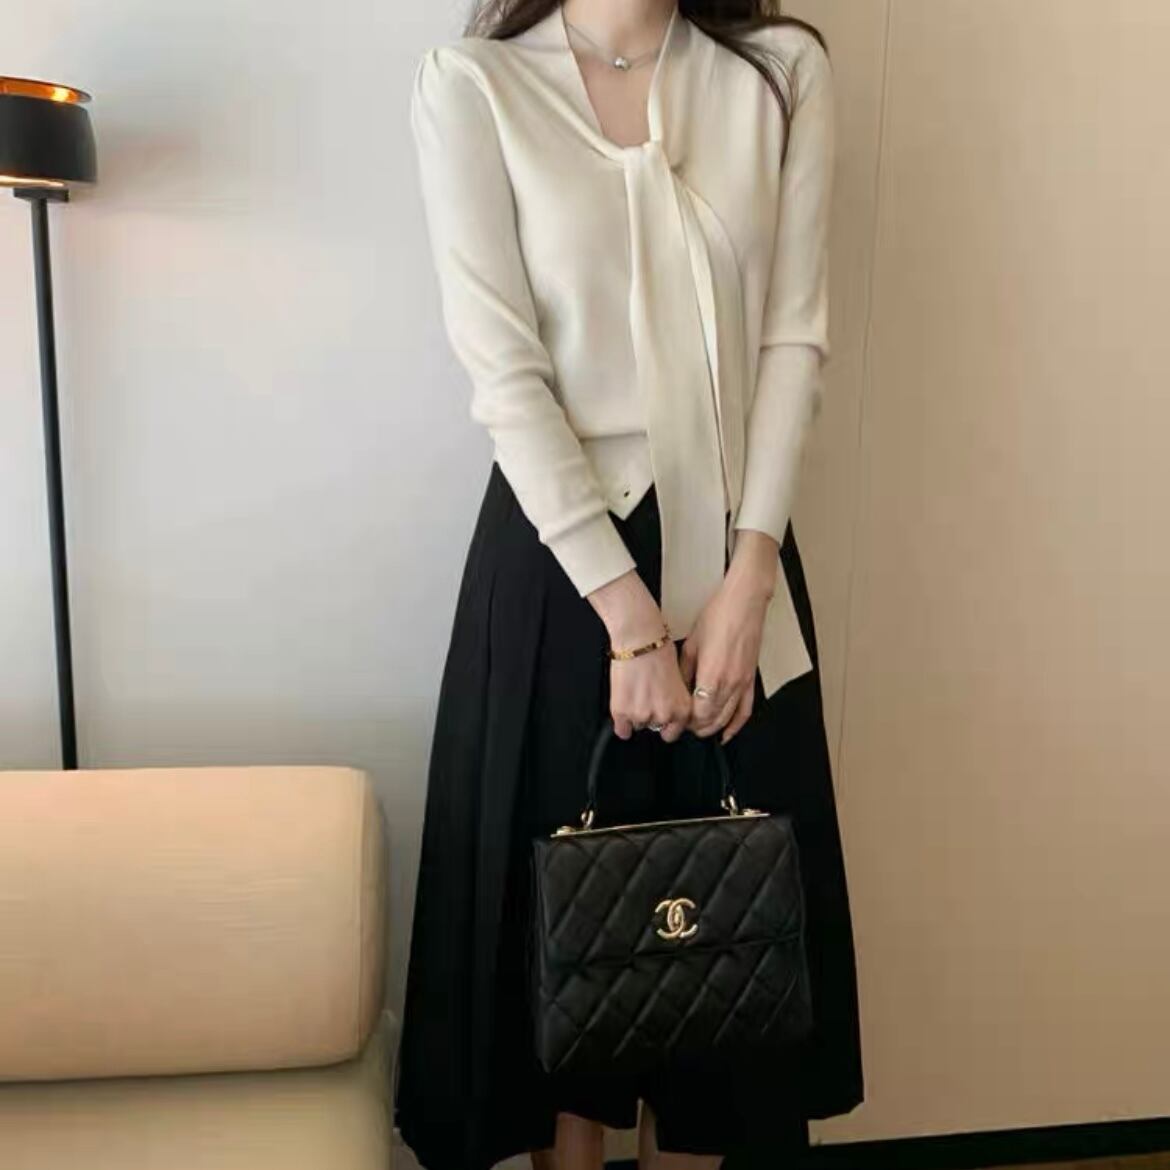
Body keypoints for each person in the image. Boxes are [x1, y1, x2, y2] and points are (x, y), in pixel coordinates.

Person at [394, 1, 864, 1167]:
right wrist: (626, 617)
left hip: (738, 562)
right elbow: (503, 369)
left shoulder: (778, 72)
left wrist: (752, 575)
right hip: (563, 572)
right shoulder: (474, 85)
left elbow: (793, 337)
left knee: (727, 946)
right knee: (573, 950)